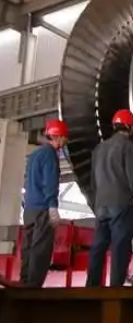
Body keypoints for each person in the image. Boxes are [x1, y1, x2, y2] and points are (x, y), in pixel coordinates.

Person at [86, 109, 133, 287]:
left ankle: (91, 286)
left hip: (101, 205)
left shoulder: (99, 149)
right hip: (120, 204)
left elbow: (93, 182)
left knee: (98, 246)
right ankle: (115, 287)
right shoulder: (128, 147)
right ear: (129, 127)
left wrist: (97, 203)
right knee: (120, 247)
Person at [21, 119, 68, 288]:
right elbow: (50, 182)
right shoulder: (50, 155)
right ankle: (33, 289)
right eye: (65, 137)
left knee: (28, 247)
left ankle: (24, 283)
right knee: (41, 249)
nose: (66, 141)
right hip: (42, 209)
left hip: (29, 209)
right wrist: (52, 206)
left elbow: (28, 181)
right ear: (58, 137)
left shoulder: (34, 155)